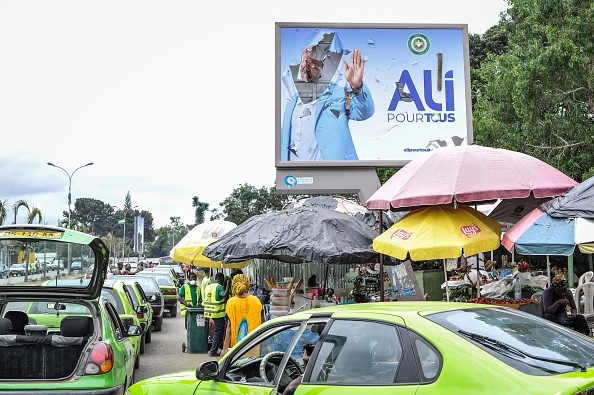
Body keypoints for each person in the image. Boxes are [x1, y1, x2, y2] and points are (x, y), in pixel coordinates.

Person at [280, 36, 375, 161]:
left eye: (312, 62)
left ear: (322, 66)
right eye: (303, 61)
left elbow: (364, 113)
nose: (305, 66)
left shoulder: (340, 94)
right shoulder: (292, 101)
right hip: (296, 177)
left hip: (334, 174)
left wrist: (357, 87)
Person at [221, 274, 263, 357]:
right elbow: (262, 324)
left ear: (233, 285)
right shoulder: (256, 301)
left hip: (237, 350)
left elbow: (229, 327)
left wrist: (225, 349)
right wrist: (267, 346)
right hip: (255, 347)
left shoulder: (231, 302)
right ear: (248, 285)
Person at [204, 272, 228, 357]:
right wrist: (227, 284)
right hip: (217, 313)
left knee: (216, 331)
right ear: (221, 279)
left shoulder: (208, 286)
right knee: (218, 331)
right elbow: (224, 295)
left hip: (209, 312)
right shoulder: (219, 287)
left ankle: (218, 348)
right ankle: (213, 351)